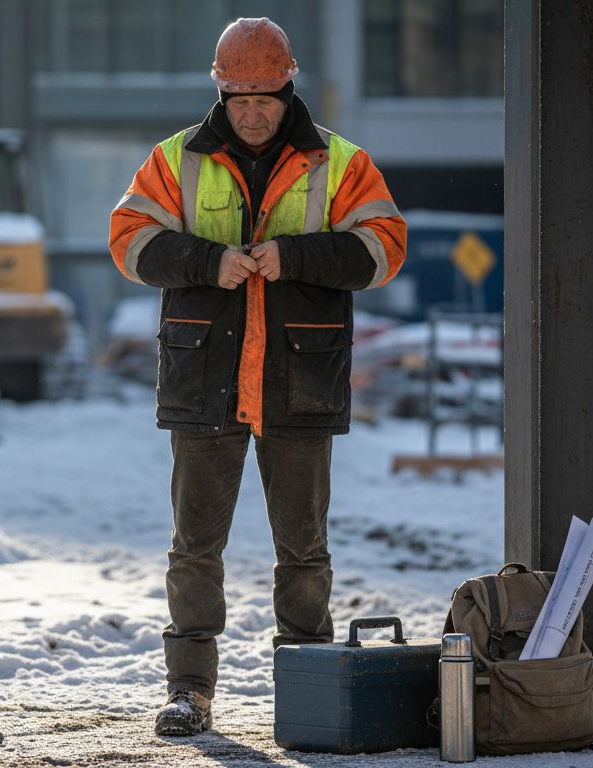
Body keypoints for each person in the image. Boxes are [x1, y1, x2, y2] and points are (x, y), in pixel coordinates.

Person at [108, 17, 407, 737]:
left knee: (303, 551)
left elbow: (385, 247)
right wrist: (209, 262)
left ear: (286, 87)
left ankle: (304, 690)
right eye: (237, 98)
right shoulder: (176, 157)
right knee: (195, 547)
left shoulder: (341, 161)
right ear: (220, 89)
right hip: (204, 378)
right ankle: (188, 690)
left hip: (297, 380)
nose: (249, 112)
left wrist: (295, 255)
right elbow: (128, 240)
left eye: (263, 99)